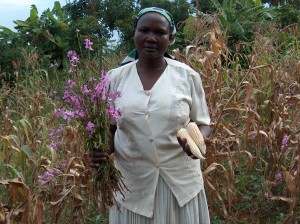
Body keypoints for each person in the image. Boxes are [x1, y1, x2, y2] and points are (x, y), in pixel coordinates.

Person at [90, 7, 212, 224]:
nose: (151, 38)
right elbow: (110, 128)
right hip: (132, 185)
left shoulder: (187, 76)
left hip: (180, 186)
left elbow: (202, 123)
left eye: (160, 32)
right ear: (134, 33)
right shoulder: (114, 79)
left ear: (171, 37)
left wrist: (198, 142)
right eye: (144, 30)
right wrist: (101, 151)